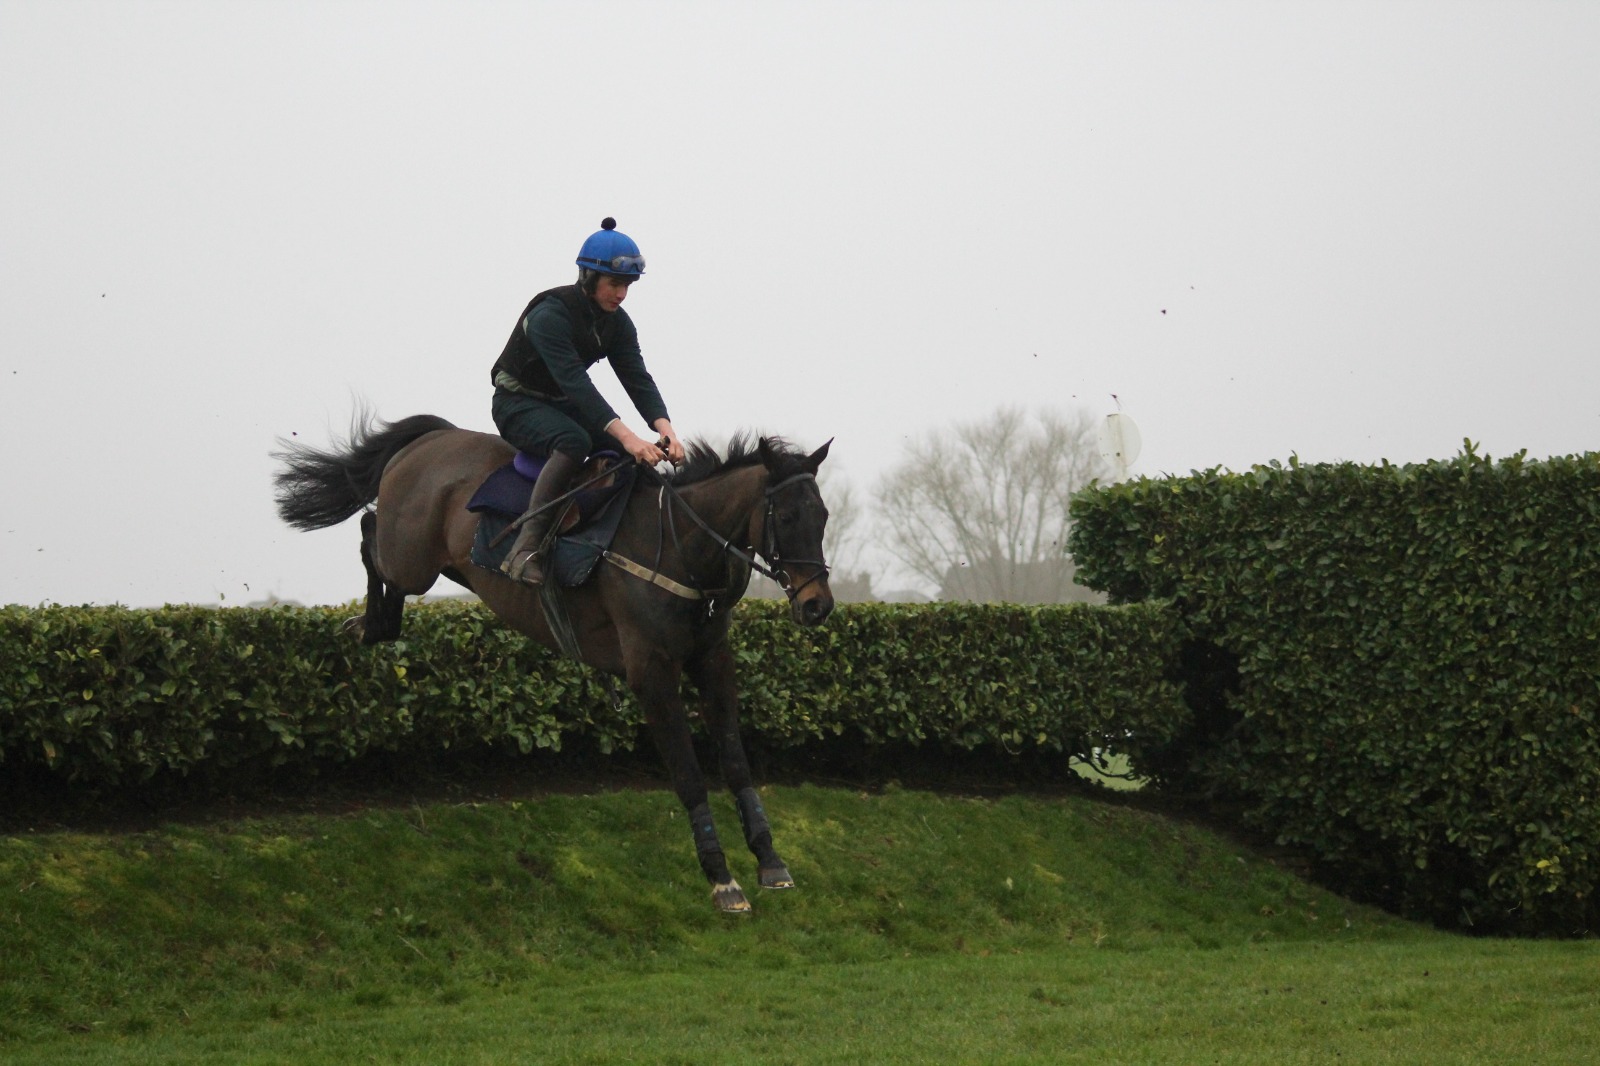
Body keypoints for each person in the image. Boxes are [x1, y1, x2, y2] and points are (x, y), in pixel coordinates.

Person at [490, 217, 685, 586]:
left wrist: (666, 430)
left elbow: (637, 378)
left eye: (627, 285)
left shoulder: (618, 324)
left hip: (561, 403)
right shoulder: (550, 316)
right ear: (588, 278)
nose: (621, 294)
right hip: (516, 403)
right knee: (574, 440)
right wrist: (629, 436)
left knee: (630, 455)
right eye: (614, 283)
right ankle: (525, 548)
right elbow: (578, 385)